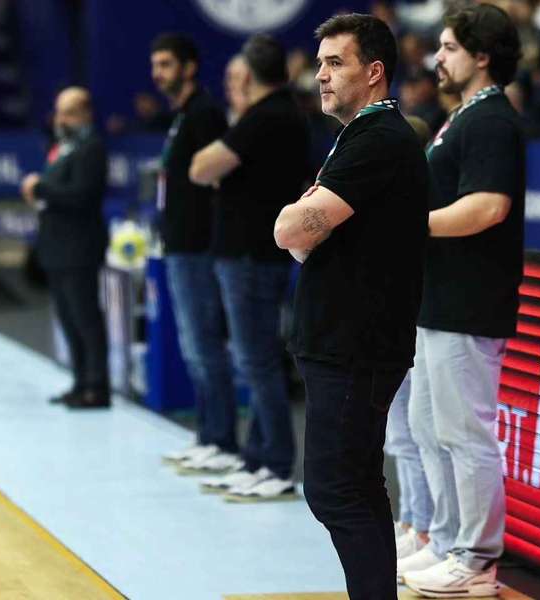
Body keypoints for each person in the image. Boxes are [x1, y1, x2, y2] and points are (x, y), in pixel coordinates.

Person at [274, 13, 428, 599]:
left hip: (355, 344)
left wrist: (298, 222)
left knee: (338, 489)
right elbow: (303, 233)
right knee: (358, 486)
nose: (321, 76)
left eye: (335, 63)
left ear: (375, 71)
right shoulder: (364, 137)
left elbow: (293, 228)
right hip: (347, 340)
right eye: (319, 64)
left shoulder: (378, 139)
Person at [399, 5, 524, 597]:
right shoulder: (461, 119)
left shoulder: (492, 122)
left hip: (470, 302)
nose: (437, 58)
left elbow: (487, 207)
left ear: (482, 55)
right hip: (439, 300)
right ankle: (447, 541)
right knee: (429, 428)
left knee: (465, 433)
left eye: (449, 47)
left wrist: (407, 225)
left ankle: (476, 559)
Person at [189, 34, 308, 501]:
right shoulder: (284, 115)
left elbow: (201, 168)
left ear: (250, 75)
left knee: (257, 361)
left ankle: (276, 462)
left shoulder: (265, 117)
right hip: (256, 254)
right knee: (257, 360)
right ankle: (259, 457)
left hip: (250, 257)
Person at [148, 33, 238, 469]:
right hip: (179, 245)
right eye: (155, 65)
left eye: (166, 64)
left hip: (199, 247)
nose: (157, 73)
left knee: (205, 345)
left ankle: (221, 440)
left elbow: (215, 184)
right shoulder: (182, 115)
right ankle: (208, 434)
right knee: (193, 346)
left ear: (188, 66)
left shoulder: (203, 114)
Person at [20, 87, 110, 409]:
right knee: (68, 318)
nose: (61, 119)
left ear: (85, 114)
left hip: (79, 247)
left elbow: (81, 195)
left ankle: (97, 386)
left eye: (69, 112)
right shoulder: (61, 147)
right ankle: (80, 381)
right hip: (56, 246)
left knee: (85, 317)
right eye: (59, 112)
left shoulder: (92, 149)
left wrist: (39, 187)